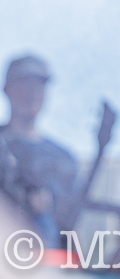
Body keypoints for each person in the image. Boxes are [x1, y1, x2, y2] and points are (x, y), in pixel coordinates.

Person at [1, 56, 78, 248]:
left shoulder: (64, 160)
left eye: (38, 87)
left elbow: (71, 229)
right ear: (7, 90)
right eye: (24, 86)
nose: (32, 94)